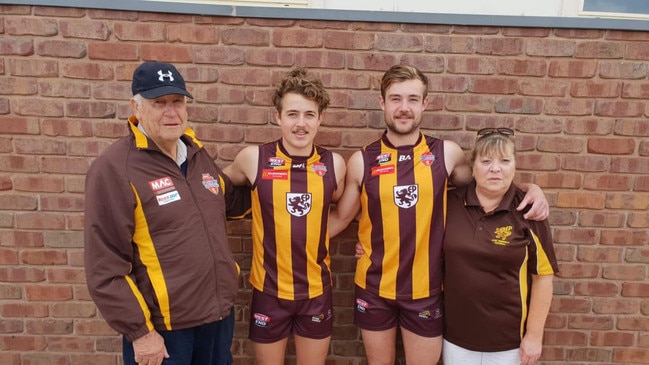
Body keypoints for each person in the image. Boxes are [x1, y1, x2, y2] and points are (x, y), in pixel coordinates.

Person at [328, 64, 549, 365]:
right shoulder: (361, 161)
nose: (403, 108)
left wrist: (530, 186)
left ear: (425, 103)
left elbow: (487, 178)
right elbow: (341, 218)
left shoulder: (446, 154)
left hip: (427, 290)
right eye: (395, 98)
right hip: (374, 287)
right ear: (382, 102)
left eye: (413, 99)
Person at [84, 61, 249, 365]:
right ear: (136, 106)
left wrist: (268, 175)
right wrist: (140, 333)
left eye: (177, 102)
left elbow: (233, 204)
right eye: (159, 103)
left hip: (217, 319)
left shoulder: (196, 155)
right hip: (166, 332)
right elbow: (105, 269)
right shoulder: (115, 169)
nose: (171, 112)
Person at [223, 68, 346, 365]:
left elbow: (344, 209)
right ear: (278, 117)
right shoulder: (253, 159)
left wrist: (318, 233)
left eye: (309, 114)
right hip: (269, 291)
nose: (300, 124)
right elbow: (216, 192)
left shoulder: (334, 165)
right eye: (292, 114)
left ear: (321, 118)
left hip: (316, 291)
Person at [442, 127, 557, 365]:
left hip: (509, 342)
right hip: (455, 337)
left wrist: (534, 336)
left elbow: (543, 276)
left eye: (504, 160)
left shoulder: (528, 209)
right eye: (486, 161)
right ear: (472, 167)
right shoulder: (448, 203)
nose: (495, 168)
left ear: (514, 166)